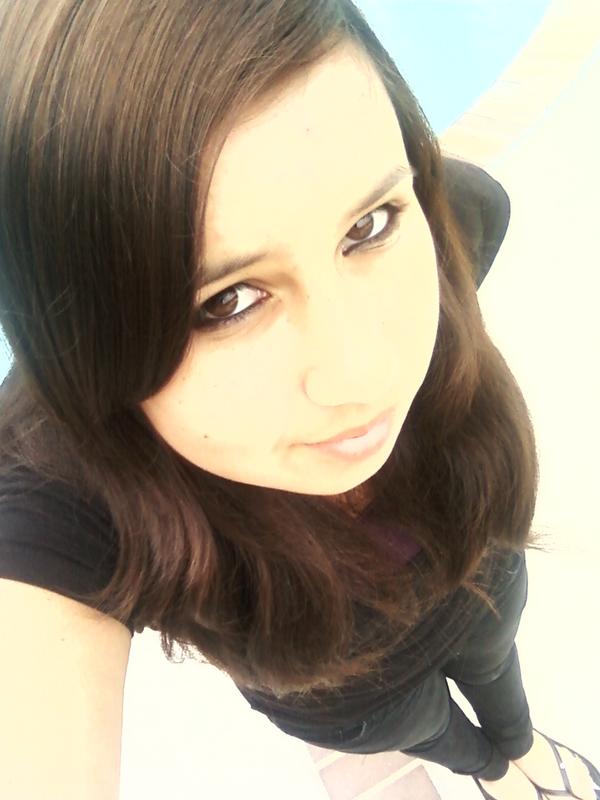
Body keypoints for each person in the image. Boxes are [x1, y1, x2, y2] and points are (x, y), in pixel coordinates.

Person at [0, 2, 597, 799]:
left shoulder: (458, 212)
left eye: (369, 226)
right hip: (352, 697)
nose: (363, 372)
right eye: (227, 301)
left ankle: (520, 747)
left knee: (500, 679)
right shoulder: (71, 489)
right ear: (86, 343)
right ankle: (492, 770)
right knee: (442, 737)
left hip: (478, 574)